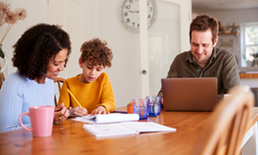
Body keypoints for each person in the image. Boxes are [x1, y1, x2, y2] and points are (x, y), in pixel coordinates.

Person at [0, 23, 71, 133]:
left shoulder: (48, 82)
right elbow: (5, 132)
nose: (62, 68)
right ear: (39, 60)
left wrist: (54, 115)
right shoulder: (14, 83)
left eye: (64, 62)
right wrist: (46, 119)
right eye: (56, 63)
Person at [158, 15, 240, 102]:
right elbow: (162, 95)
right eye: (195, 44)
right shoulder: (179, 60)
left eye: (205, 45)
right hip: (186, 115)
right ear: (190, 40)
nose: (199, 51)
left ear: (215, 41)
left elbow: (235, 96)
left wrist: (193, 100)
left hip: (218, 114)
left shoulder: (226, 59)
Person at [58, 38, 116, 117]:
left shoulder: (103, 78)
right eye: (89, 67)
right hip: (76, 127)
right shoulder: (68, 84)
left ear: (104, 68)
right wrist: (71, 112)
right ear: (81, 62)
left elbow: (110, 103)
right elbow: (61, 111)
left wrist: (102, 107)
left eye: (98, 69)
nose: (93, 73)